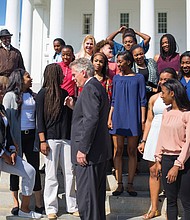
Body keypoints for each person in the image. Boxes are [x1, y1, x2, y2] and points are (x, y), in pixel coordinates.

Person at [69, 58, 112, 220]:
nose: (73, 78)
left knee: (87, 200)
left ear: (83, 72)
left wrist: (83, 149)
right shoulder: (97, 87)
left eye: (74, 74)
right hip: (98, 152)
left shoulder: (89, 89)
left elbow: (91, 120)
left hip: (89, 154)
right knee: (95, 200)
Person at [36, 63, 78, 220]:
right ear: (54, 74)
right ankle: (51, 208)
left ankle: (72, 205)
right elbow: (39, 119)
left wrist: (71, 106)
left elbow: (70, 117)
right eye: (60, 73)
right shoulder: (42, 94)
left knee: (70, 172)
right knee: (51, 174)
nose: (63, 75)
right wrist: (42, 140)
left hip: (66, 138)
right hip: (50, 139)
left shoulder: (65, 93)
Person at [138, 68, 178, 219]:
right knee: (154, 172)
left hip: (170, 136)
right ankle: (154, 208)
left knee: (169, 173)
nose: (162, 82)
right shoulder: (154, 98)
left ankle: (171, 209)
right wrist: (144, 140)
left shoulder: (177, 98)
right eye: (161, 79)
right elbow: (149, 120)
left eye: (166, 79)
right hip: (154, 135)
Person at [2, 69, 43, 216]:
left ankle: (38, 202)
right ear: (19, 79)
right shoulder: (10, 96)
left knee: (34, 168)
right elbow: (6, 122)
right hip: (16, 137)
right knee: (15, 169)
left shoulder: (33, 96)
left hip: (31, 136)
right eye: (27, 76)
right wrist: (10, 143)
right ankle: (15, 202)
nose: (31, 78)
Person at [108, 51, 147, 197]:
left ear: (128, 62)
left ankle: (130, 184)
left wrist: (142, 120)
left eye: (120, 61)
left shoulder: (139, 78)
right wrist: (110, 117)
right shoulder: (116, 78)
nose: (118, 64)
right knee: (117, 150)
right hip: (117, 116)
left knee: (131, 151)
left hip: (133, 117)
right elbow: (113, 100)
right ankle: (119, 184)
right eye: (117, 61)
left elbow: (143, 100)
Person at [155, 79, 190, 220]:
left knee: (186, 201)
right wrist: (158, 159)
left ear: (172, 93)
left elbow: (188, 143)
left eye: (163, 93)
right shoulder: (166, 112)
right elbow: (161, 137)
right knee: (170, 200)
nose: (161, 96)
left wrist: (177, 165)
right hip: (166, 159)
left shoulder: (186, 114)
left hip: (184, 162)